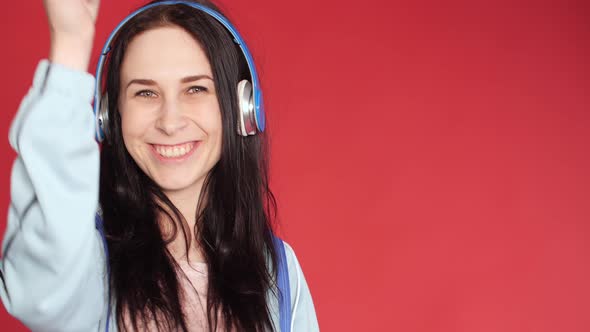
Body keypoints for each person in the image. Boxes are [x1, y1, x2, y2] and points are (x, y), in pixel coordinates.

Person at [0, 0, 319, 331]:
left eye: (195, 89)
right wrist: (70, 43)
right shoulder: (87, 257)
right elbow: (40, 298)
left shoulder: (277, 270)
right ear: (109, 116)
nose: (170, 122)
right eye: (145, 93)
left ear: (242, 109)